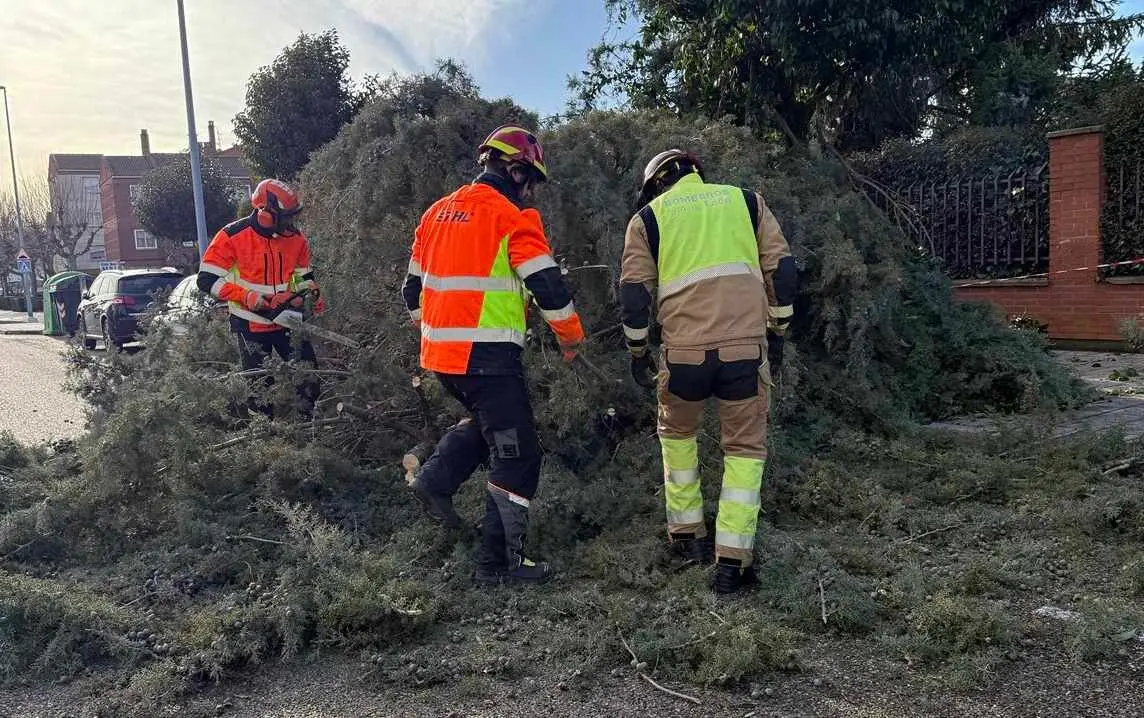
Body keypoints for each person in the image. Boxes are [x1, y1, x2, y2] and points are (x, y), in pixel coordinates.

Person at [401, 125, 585, 585]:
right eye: (531, 181)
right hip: (488, 358)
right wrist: (570, 337)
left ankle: (435, 480)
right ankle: (498, 565)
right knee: (519, 453)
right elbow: (548, 286)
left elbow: (411, 292)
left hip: (442, 358)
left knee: (493, 427)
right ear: (515, 168)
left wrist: (439, 324)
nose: (531, 192)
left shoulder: (436, 212)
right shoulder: (511, 217)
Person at [619, 149, 796, 594]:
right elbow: (782, 268)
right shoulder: (747, 202)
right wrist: (778, 328)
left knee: (677, 440)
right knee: (744, 450)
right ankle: (731, 564)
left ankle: (688, 539)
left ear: (656, 185)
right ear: (698, 171)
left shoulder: (647, 219)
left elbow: (634, 295)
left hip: (683, 358)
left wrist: (638, 352)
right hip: (744, 352)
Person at [196, 179, 325, 417]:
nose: (290, 223)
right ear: (265, 212)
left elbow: (304, 276)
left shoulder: (296, 239)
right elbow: (206, 279)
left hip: (287, 320)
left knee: (309, 379)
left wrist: (306, 297)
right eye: (285, 217)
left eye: (291, 217)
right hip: (249, 323)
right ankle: (262, 438)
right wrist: (247, 296)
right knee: (258, 389)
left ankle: (310, 431)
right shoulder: (232, 236)